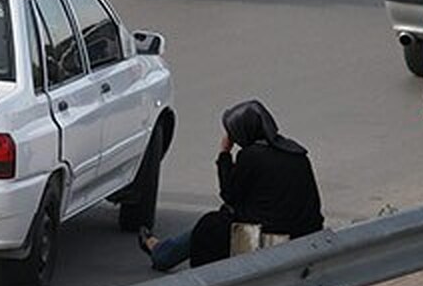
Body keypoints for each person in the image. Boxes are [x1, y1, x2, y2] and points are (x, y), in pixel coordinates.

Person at [139, 100, 324, 271]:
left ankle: (164, 255)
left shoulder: (252, 156)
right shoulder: (296, 152)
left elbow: (229, 194)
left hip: (271, 232)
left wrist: (225, 154)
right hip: (305, 230)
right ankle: (162, 251)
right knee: (221, 220)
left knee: (209, 226)